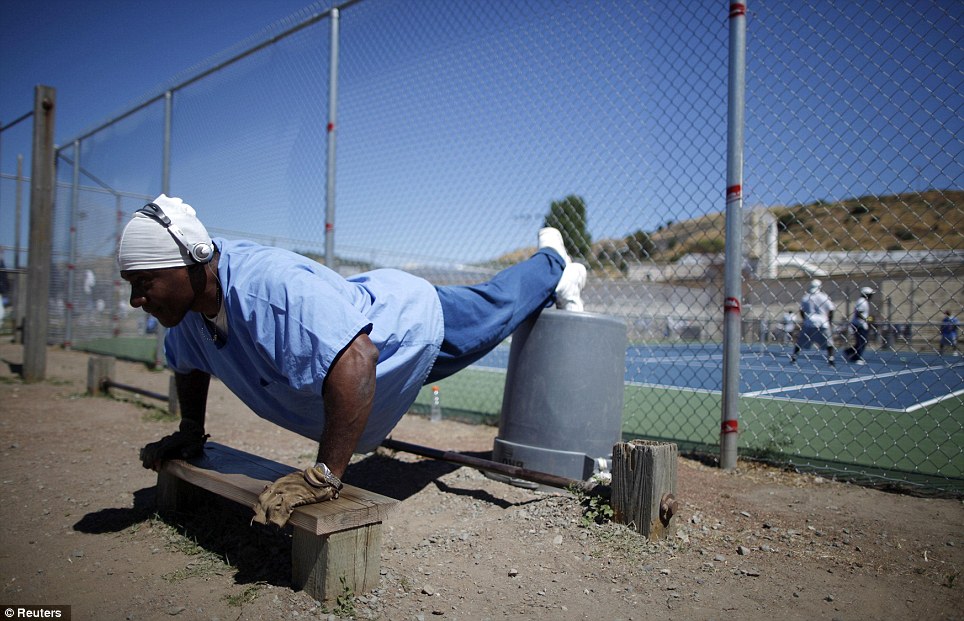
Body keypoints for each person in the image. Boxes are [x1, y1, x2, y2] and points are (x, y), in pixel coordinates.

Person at [119, 195, 587, 527]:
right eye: (131, 285)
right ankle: (553, 273)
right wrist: (189, 431)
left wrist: (325, 476)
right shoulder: (188, 315)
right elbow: (190, 364)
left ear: (195, 260)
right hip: (373, 332)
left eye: (145, 282)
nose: (137, 298)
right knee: (495, 309)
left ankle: (553, 263)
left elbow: (359, 358)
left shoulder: (267, 291)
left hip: (408, 326)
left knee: (497, 309)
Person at [790, 279, 836, 366]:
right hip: (823, 322)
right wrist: (829, 321)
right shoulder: (824, 297)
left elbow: (802, 310)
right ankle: (831, 359)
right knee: (829, 342)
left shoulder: (806, 297)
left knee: (800, 341)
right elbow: (831, 309)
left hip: (809, 322)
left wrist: (805, 319)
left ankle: (794, 357)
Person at [847, 287, 874, 364]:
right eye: (870, 294)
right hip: (859, 324)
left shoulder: (864, 301)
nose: (871, 296)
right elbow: (858, 313)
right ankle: (856, 357)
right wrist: (868, 320)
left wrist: (870, 319)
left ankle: (849, 352)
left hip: (861, 324)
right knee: (862, 341)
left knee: (862, 342)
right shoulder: (862, 301)